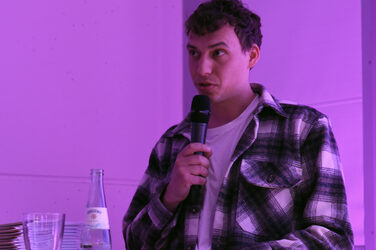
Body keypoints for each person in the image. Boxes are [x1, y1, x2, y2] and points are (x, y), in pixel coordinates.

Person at [123, 0, 354, 249]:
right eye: (194, 53)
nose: (202, 69)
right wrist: (169, 197)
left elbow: (334, 239)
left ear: (251, 56)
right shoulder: (171, 143)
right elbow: (133, 242)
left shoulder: (304, 128)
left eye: (217, 53)